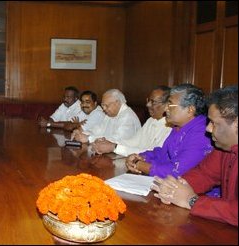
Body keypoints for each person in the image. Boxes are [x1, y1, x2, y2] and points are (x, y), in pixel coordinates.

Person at [151, 85, 237, 226]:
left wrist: (192, 201)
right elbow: (205, 174)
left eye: (214, 123)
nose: (208, 128)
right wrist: (174, 188)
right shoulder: (223, 148)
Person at [125, 84, 213, 178]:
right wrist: (142, 157)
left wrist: (139, 164)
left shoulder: (202, 133)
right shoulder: (179, 127)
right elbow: (163, 154)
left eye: (170, 104)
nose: (166, 109)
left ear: (190, 110)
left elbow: (176, 171)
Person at [92, 86, 172, 157]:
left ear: (167, 105)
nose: (148, 104)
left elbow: (153, 154)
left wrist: (114, 147)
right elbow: (133, 142)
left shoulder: (172, 126)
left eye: (153, 102)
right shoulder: (151, 120)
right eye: (148, 100)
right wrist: (108, 143)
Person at [72, 89, 141, 144]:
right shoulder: (110, 114)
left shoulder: (128, 117)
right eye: (102, 105)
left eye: (106, 105)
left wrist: (89, 138)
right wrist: (81, 133)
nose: (104, 109)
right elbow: (98, 129)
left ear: (117, 103)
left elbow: (116, 139)